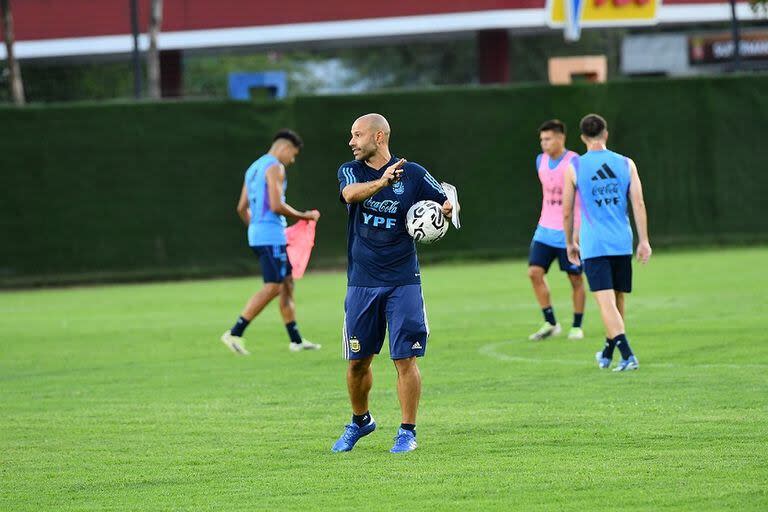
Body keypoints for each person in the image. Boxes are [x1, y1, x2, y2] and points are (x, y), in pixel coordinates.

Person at [331, 113, 453, 453]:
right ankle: (360, 421)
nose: (351, 142)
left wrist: (445, 209)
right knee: (357, 362)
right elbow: (350, 194)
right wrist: (382, 182)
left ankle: (407, 431)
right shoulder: (350, 170)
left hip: (403, 281)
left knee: (405, 359)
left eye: (357, 135)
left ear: (379, 137)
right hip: (361, 282)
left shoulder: (412, 174)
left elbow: (446, 197)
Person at [220, 129, 322, 356]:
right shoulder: (275, 167)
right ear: (284, 148)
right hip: (271, 235)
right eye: (293, 155)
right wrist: (305, 216)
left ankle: (296, 340)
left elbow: (241, 208)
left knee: (286, 284)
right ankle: (235, 332)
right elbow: (276, 206)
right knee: (274, 285)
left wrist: (256, 229)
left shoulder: (253, 168)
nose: (292, 160)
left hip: (259, 234)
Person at [563, 114, 652, 372]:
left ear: (582, 138)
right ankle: (607, 351)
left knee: (605, 301)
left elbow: (567, 212)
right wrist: (643, 240)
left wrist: (570, 242)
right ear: (606, 134)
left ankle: (627, 355)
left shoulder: (575, 167)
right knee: (617, 298)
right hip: (622, 241)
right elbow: (638, 203)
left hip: (594, 244)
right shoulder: (626, 163)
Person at [527, 119, 586, 341]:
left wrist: (578, 231)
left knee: (575, 278)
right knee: (534, 273)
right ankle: (550, 322)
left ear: (561, 138)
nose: (544, 143)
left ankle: (577, 326)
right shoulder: (540, 161)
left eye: (548, 138)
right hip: (544, 229)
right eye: (542, 139)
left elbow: (583, 197)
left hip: (569, 231)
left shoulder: (575, 162)